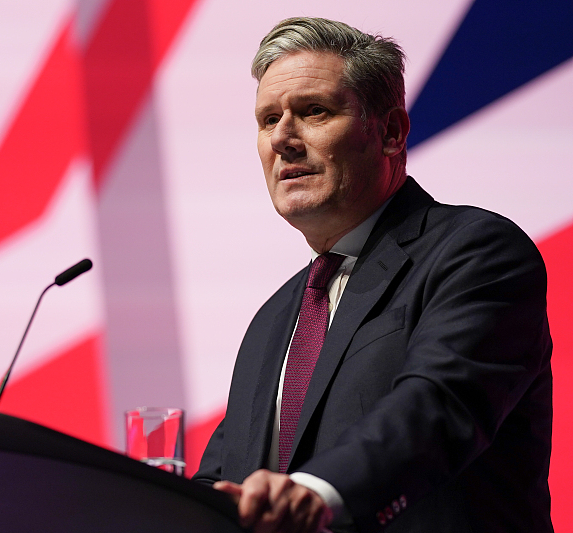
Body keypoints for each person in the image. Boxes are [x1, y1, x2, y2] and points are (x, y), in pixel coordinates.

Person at [193, 17, 553, 533]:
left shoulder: (475, 253)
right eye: (268, 119)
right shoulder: (274, 318)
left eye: (313, 111)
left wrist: (316, 493)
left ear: (390, 132)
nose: (283, 139)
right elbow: (225, 482)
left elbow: (436, 406)